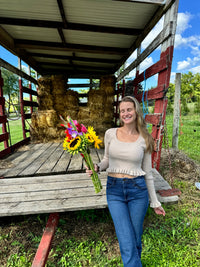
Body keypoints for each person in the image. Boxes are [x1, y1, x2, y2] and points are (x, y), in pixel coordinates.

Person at [86, 96, 165, 267]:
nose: (125, 113)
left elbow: (148, 173)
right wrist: (98, 167)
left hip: (138, 190)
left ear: (136, 111)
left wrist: (155, 201)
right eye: (122, 111)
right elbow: (106, 159)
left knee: (135, 236)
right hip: (114, 191)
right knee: (125, 237)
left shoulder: (145, 138)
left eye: (129, 109)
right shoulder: (110, 133)